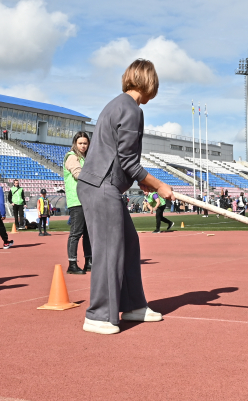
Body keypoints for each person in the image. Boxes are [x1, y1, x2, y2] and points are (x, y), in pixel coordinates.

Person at [77, 59, 173, 334]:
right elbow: (128, 160)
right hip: (101, 186)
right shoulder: (132, 110)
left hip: (103, 184)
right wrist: (157, 185)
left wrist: (137, 181)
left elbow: (117, 156)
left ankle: (132, 305)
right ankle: (99, 314)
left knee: (128, 245)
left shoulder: (116, 104)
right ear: (149, 83)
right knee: (110, 251)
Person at [64, 131, 92, 275]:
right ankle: (72, 263)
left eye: (85, 143)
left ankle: (89, 261)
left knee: (88, 233)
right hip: (76, 200)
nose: (83, 146)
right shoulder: (71, 157)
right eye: (80, 143)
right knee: (76, 233)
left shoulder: (86, 157)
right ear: (75, 143)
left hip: (87, 199)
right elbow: (78, 174)